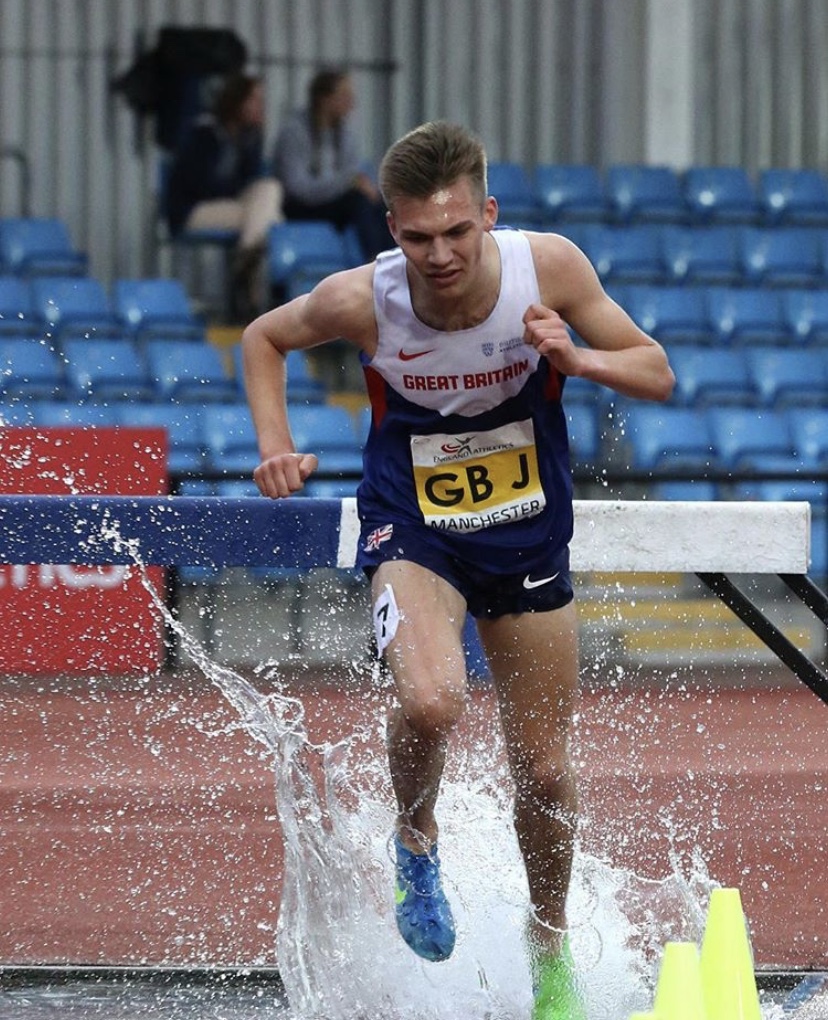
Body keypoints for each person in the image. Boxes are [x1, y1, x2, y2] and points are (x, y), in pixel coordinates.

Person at [242, 121, 675, 1019]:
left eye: (456, 232)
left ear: (489, 214)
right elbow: (263, 338)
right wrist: (275, 446)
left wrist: (577, 358)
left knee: (544, 772)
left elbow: (656, 372)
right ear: (390, 228)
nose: (438, 256)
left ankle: (549, 952)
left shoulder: (547, 269)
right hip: (414, 529)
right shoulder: (363, 298)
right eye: (416, 238)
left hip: (526, 534)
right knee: (433, 701)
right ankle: (415, 838)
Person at [165, 72, 283, 319]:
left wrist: (252, 142)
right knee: (271, 222)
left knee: (270, 188)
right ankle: (247, 273)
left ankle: (246, 261)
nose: (260, 106)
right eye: (254, 100)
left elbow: (250, 179)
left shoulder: (249, 136)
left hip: (232, 207)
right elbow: (198, 185)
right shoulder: (205, 132)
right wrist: (232, 189)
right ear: (237, 101)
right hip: (194, 210)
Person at [272, 67, 393, 262]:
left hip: (335, 204)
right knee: (358, 201)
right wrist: (347, 182)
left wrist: (356, 184)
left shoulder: (345, 133)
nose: (351, 102)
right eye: (344, 95)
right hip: (300, 206)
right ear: (324, 99)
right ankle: (375, 261)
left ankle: (394, 262)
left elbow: (352, 172)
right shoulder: (294, 132)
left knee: (381, 204)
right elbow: (298, 189)